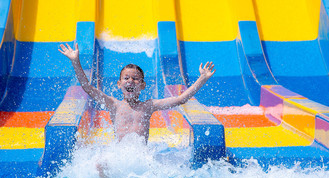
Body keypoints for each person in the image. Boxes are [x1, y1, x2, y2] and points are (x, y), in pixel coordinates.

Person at [59, 43, 216, 143]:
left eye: (135, 79)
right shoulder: (113, 104)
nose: (130, 81)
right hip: (121, 156)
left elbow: (181, 99)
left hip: (140, 157)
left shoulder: (148, 106)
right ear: (119, 84)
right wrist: (75, 61)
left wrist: (202, 79)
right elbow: (87, 87)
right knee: (100, 166)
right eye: (126, 78)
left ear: (142, 85)